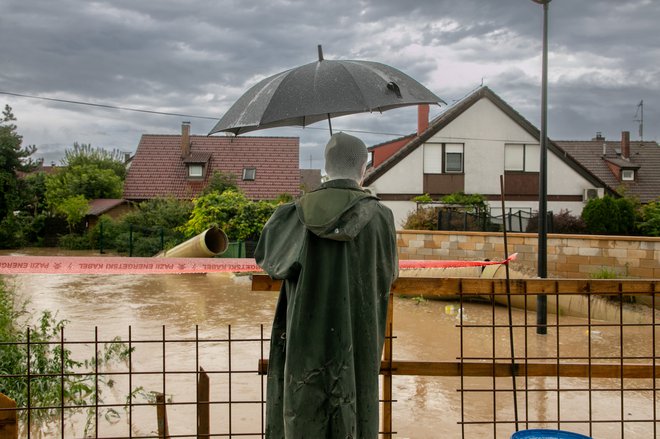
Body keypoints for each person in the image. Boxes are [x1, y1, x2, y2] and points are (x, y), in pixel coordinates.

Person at [255, 132, 399, 439]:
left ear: (325, 165)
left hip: (306, 345)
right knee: (357, 413)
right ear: (364, 168)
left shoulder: (294, 214)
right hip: (359, 341)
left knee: (303, 413)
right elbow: (390, 274)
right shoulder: (383, 218)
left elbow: (268, 258)